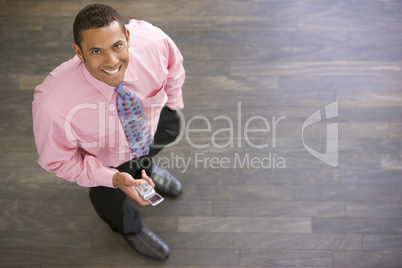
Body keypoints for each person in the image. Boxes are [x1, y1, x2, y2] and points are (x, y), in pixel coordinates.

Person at [32, 4, 185, 261]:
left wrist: (171, 104)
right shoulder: (53, 107)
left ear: (127, 37)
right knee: (110, 198)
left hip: (152, 128)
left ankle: (147, 169)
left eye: (116, 46)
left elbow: (174, 69)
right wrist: (113, 178)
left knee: (161, 139)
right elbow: (58, 161)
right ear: (78, 52)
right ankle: (129, 228)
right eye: (96, 51)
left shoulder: (153, 41)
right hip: (106, 163)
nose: (112, 62)